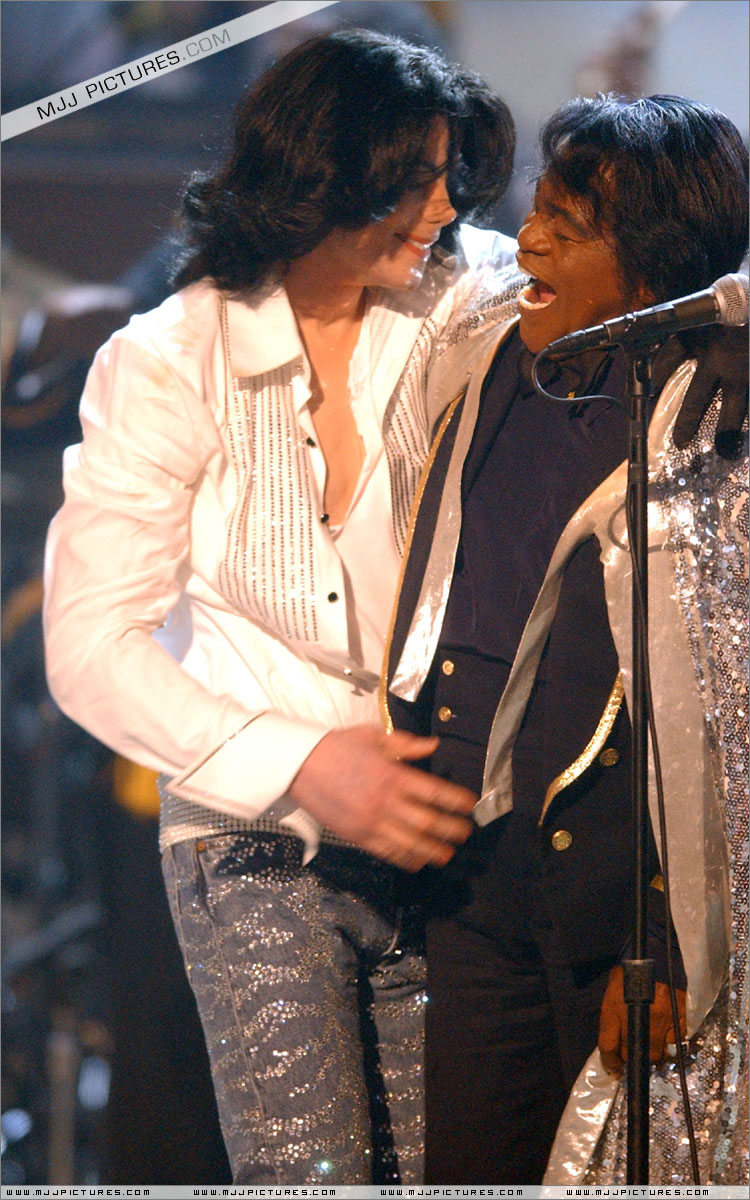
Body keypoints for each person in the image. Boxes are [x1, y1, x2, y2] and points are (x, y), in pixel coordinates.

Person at [42, 30, 518, 1185]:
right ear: (320, 178)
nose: (443, 209)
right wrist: (303, 762)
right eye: (414, 181)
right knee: (311, 1174)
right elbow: (89, 644)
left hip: (441, 817)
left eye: (452, 177)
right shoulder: (167, 359)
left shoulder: (469, 301)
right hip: (250, 834)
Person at [383, 93, 748, 1184]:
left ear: (655, 268)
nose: (530, 240)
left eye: (568, 226)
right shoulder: (493, 355)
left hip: (616, 904)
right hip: (473, 877)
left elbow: (723, 710)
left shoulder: (712, 421)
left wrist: (670, 938)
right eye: (535, 210)